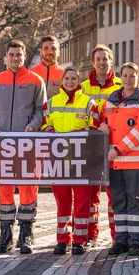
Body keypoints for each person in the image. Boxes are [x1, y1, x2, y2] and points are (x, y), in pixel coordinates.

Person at [0, 40, 46, 254]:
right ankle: (6, 235)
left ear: (24, 55)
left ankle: (26, 234)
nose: (15, 58)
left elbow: (41, 110)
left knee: (29, 187)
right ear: (6, 56)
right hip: (3, 145)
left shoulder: (36, 81)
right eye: (12, 54)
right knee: (4, 188)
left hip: (28, 144)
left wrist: (32, 125)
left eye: (19, 55)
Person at [41, 66, 99, 255]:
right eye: (67, 78)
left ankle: (79, 241)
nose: (70, 82)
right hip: (58, 160)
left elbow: (95, 128)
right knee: (62, 200)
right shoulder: (51, 102)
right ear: (62, 80)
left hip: (83, 159)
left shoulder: (89, 103)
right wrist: (56, 135)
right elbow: (44, 126)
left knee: (82, 200)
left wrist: (74, 135)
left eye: (74, 78)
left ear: (79, 81)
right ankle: (62, 240)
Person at [99, 62, 139, 257]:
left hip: (136, 162)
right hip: (115, 161)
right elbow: (104, 123)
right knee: (118, 202)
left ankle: (136, 242)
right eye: (125, 75)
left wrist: (119, 149)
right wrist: (102, 129)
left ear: (138, 77)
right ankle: (121, 240)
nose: (128, 79)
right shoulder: (110, 101)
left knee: (135, 201)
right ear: (120, 77)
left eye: (132, 75)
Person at [81, 45, 122, 248]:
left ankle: (116, 236)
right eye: (98, 59)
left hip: (114, 146)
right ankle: (91, 235)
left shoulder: (120, 85)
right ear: (93, 62)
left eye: (105, 59)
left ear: (111, 60)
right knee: (91, 195)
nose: (101, 62)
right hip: (90, 147)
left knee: (114, 194)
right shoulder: (83, 86)